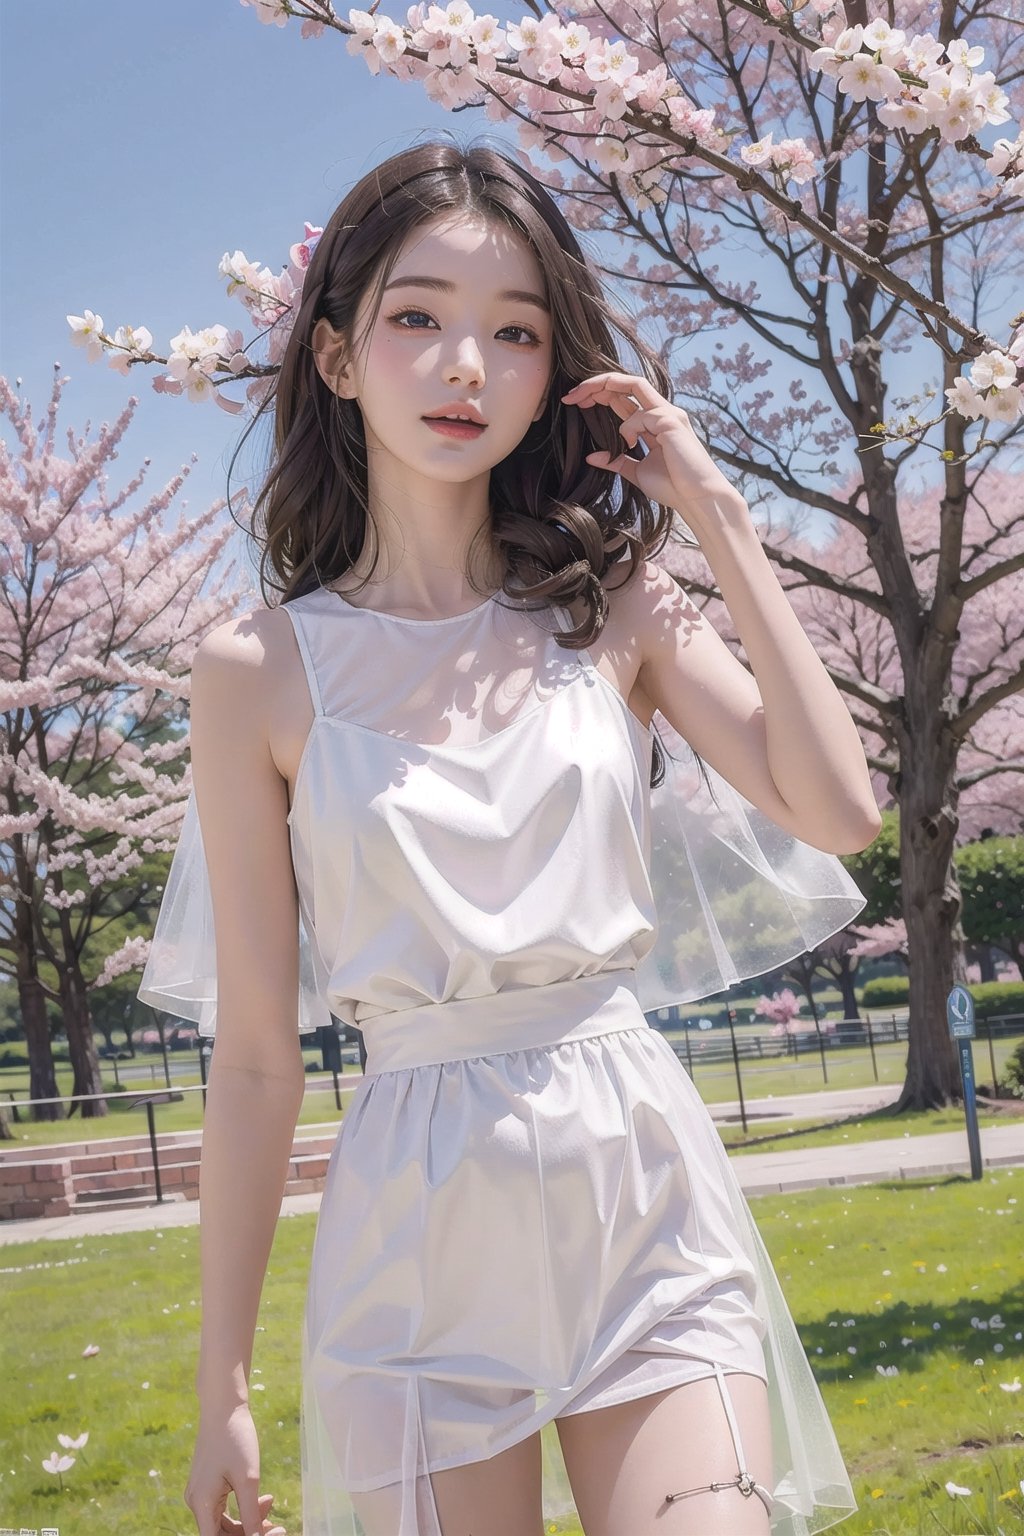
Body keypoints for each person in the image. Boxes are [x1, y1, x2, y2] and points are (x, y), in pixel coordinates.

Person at [139, 139, 880, 1536]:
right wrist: (221, 1378)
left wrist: (715, 519)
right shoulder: (256, 671)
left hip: (641, 1199)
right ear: (339, 359)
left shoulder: (615, 607)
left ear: (553, 372)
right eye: (417, 318)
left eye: (514, 331)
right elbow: (251, 1058)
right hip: (413, 1236)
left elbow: (837, 809)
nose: (466, 363)